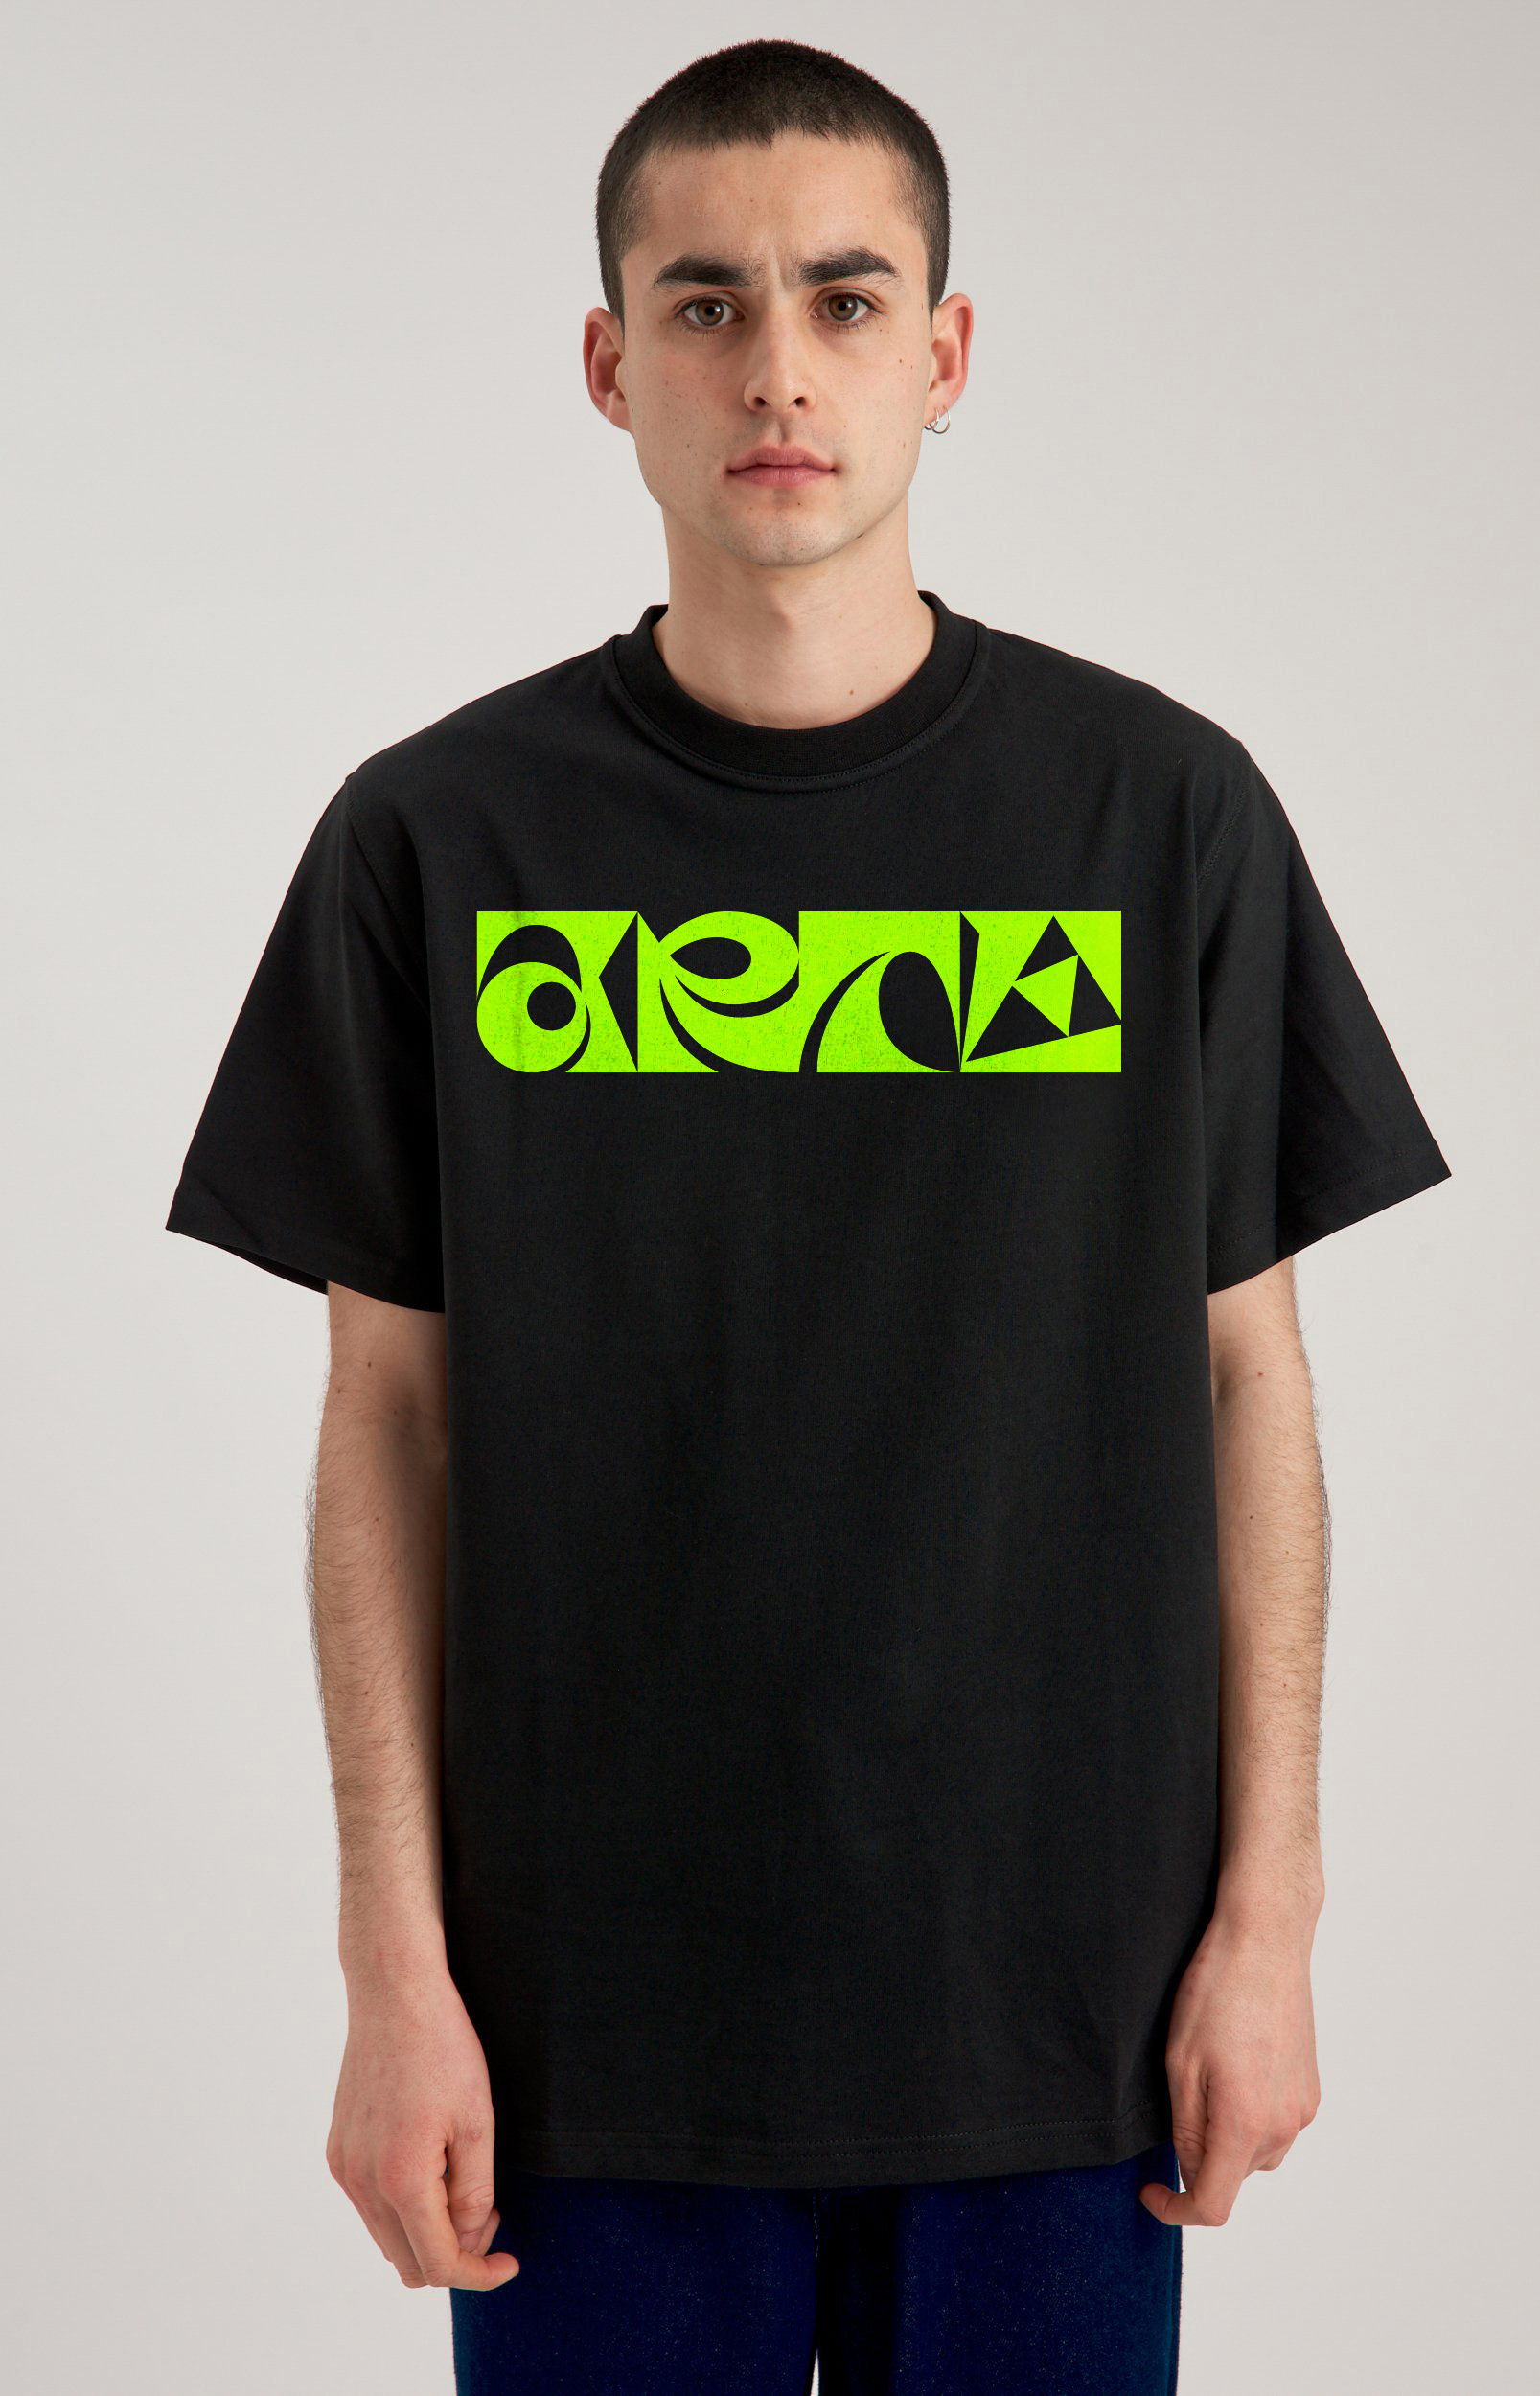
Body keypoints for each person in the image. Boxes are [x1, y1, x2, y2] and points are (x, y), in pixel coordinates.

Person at [163, 36, 1452, 2395]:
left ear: (943, 355)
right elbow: (387, 1422)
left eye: (847, 301)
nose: (779, 369)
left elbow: (1246, 1371)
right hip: (588, 2036)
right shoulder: (436, 842)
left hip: (1060, 2021)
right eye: (708, 304)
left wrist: (1273, 1911)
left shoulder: (1160, 815)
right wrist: (392, 1971)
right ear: (609, 363)